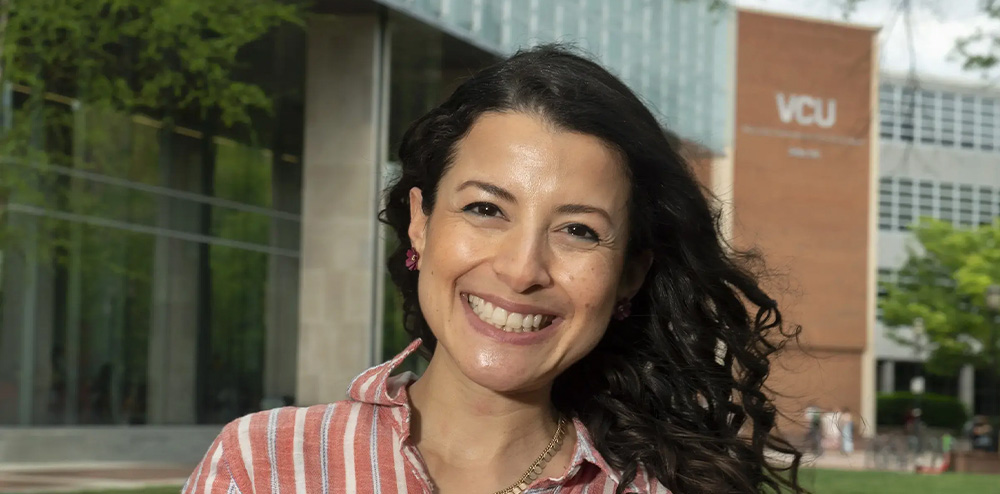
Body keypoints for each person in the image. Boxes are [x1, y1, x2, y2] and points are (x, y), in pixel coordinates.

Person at [184, 45, 804, 494]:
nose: (520, 269)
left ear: (630, 275)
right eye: (486, 209)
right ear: (421, 223)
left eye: (579, 231)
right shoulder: (264, 465)